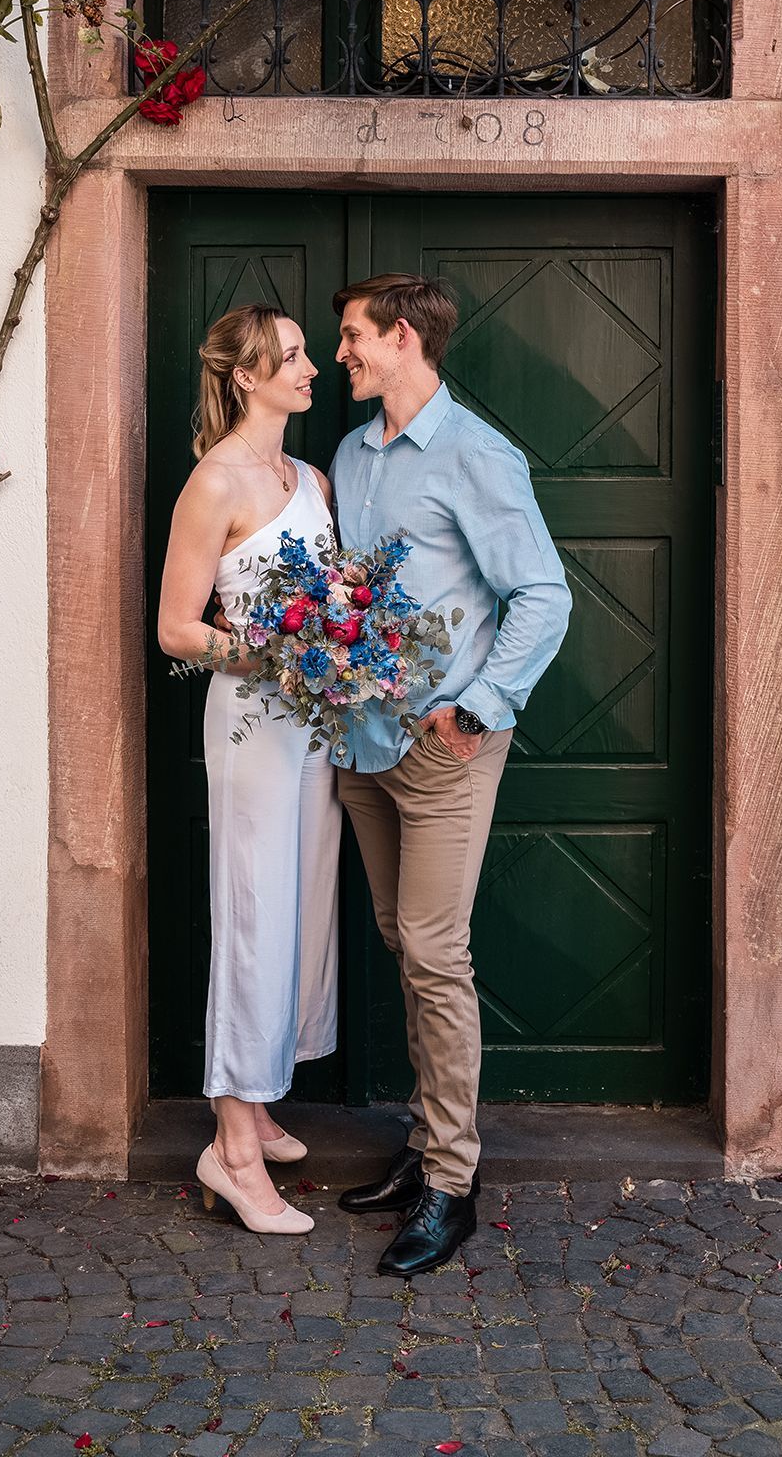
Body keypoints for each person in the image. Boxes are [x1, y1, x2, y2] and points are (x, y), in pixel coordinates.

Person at [330, 274, 572, 1276]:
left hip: (442, 752)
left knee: (433, 953)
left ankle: (452, 1184)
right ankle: (425, 1144)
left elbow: (542, 596)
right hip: (360, 748)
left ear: (402, 340)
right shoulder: (348, 452)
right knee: (400, 941)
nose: (337, 351)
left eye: (351, 335)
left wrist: (475, 710)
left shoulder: (474, 454)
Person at [157, 304, 340, 1237]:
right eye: (296, 356)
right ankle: (229, 1150)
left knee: (302, 906)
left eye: (309, 352)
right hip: (253, 724)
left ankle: (260, 1105)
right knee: (253, 911)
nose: (314, 367)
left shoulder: (308, 475)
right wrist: (273, 652)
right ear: (247, 375)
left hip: (314, 725)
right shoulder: (214, 482)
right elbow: (177, 628)